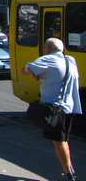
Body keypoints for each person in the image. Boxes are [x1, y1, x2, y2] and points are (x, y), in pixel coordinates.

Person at [22, 38, 81, 181]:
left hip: (55, 109)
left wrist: (35, 74)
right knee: (63, 140)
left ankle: (69, 175)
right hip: (69, 106)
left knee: (59, 142)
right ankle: (69, 170)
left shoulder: (48, 59)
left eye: (44, 47)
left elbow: (26, 69)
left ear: (47, 48)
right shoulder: (70, 60)